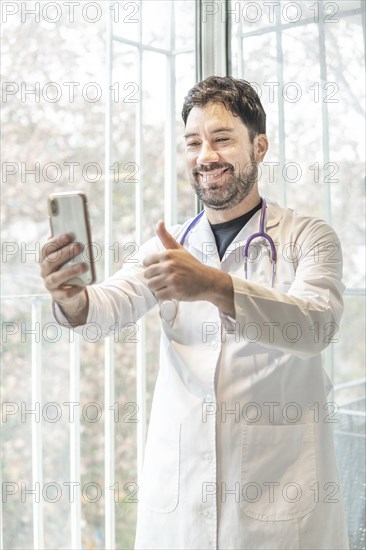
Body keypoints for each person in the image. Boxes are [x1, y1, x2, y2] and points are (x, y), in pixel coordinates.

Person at [40, 76, 349, 550]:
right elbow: (106, 307)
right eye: (193, 142)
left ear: (259, 146)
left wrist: (213, 285)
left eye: (222, 138)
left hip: (283, 507)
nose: (206, 155)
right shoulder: (170, 247)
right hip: (181, 506)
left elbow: (314, 325)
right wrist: (70, 297)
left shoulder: (309, 238)